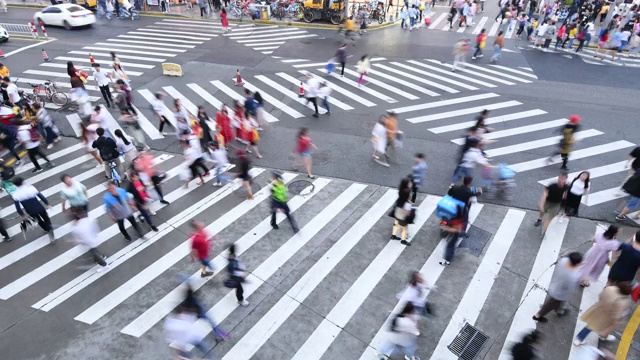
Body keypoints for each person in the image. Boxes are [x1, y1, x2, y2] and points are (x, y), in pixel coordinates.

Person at [532, 252, 582, 322]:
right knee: (550, 304)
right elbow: (570, 289)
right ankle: (538, 316)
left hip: (554, 286)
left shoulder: (564, 261)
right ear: (576, 264)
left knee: (555, 303)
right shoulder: (572, 276)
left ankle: (558, 310)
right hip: (559, 294)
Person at [12, 177, 54, 241]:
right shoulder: (30, 188)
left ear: (15, 185)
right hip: (39, 207)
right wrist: (47, 203)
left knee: (38, 220)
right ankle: (50, 229)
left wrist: (22, 215)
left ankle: (46, 229)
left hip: (30, 211)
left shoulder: (15, 194)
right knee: (46, 218)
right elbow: (41, 196)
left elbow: (18, 207)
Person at [534, 173, 567, 238]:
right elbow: (544, 194)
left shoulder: (566, 186)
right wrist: (541, 204)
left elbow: (566, 195)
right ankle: (540, 219)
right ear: (558, 178)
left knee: (550, 218)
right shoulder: (552, 186)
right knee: (542, 211)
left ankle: (543, 231)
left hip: (557, 204)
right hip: (548, 202)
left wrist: (564, 204)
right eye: (560, 178)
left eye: (563, 179)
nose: (561, 180)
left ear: (565, 179)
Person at [391, 177, 413, 246]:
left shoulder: (401, 190)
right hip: (402, 214)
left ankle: (393, 235)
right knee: (405, 228)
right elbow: (406, 208)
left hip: (396, 211)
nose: (411, 183)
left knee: (396, 224)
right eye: (409, 183)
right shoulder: (407, 193)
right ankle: (403, 240)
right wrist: (408, 213)